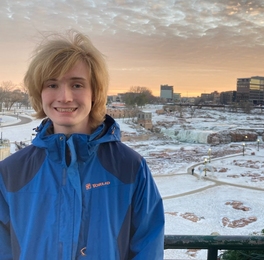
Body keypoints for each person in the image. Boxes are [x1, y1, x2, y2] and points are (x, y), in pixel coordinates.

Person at [0, 30, 164, 259]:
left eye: (77, 85)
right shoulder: (11, 172)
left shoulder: (130, 168)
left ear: (95, 92)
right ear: (39, 92)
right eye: (52, 84)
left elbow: (148, 246)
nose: (65, 96)